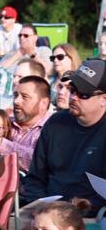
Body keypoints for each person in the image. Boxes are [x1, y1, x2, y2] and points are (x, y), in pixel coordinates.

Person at [21, 59, 106, 208]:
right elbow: (35, 178)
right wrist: (40, 207)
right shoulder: (55, 123)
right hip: (48, 211)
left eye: (83, 94)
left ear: (103, 99)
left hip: (93, 216)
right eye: (72, 90)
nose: (73, 97)